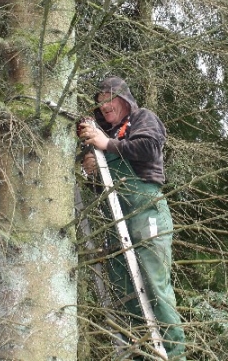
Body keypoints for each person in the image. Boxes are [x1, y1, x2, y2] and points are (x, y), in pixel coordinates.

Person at [78, 76, 186, 360]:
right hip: (116, 221)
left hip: (145, 211)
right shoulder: (103, 136)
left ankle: (174, 355)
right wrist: (91, 169)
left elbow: (148, 148)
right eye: (99, 102)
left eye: (108, 99)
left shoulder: (142, 119)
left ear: (125, 99)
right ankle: (142, 356)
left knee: (154, 286)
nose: (104, 107)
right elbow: (101, 189)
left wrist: (107, 144)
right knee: (124, 291)